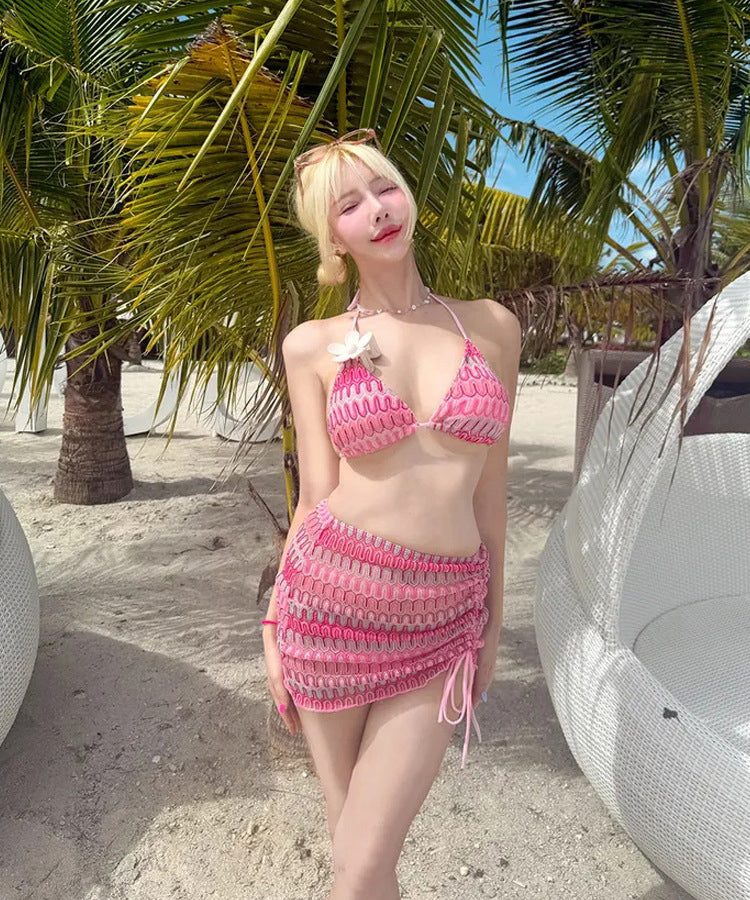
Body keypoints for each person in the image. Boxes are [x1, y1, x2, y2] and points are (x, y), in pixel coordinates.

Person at [262, 128, 521, 900]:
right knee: (358, 860)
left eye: (385, 188)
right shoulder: (311, 345)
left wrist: (493, 624)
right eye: (350, 204)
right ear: (331, 239)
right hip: (327, 609)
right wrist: (274, 621)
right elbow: (315, 495)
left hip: (442, 620)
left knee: (364, 858)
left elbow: (490, 497)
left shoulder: (492, 327)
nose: (377, 210)